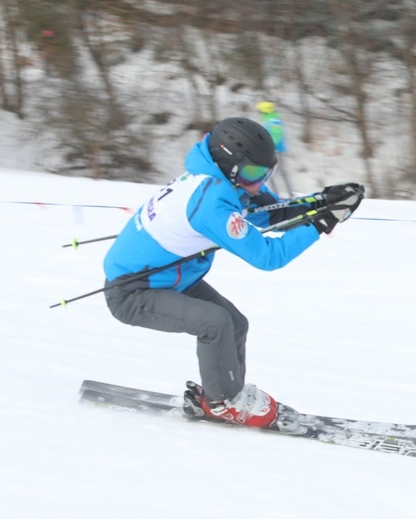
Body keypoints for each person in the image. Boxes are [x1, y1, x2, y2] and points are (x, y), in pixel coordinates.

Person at [102, 117, 363, 429]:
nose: (259, 182)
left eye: (267, 172)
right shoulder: (211, 202)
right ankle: (225, 403)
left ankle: (227, 395)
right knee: (215, 323)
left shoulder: (222, 177)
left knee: (235, 323)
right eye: (254, 174)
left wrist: (322, 201)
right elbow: (268, 256)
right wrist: (323, 222)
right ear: (230, 165)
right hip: (133, 292)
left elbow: (272, 213)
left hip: (172, 278)